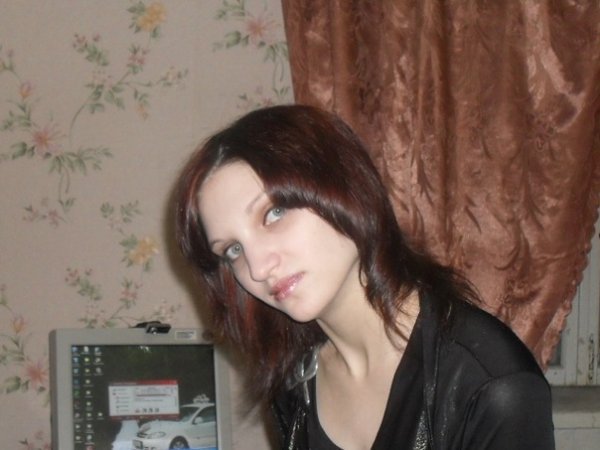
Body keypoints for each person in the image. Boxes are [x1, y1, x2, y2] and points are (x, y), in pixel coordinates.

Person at [175, 105, 555, 449]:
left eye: (274, 213)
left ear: (346, 189)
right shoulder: (294, 380)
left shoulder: (491, 386)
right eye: (233, 250)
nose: (258, 268)